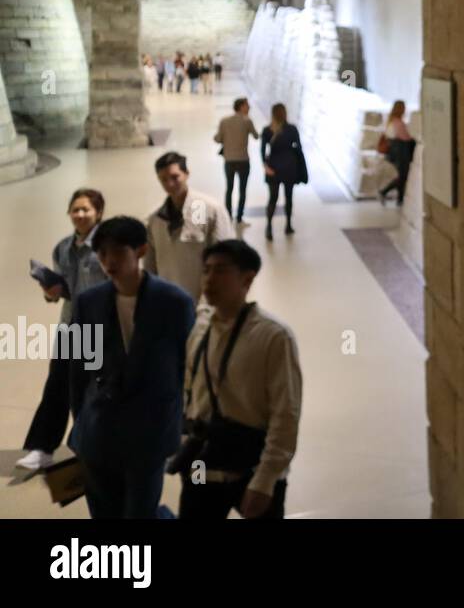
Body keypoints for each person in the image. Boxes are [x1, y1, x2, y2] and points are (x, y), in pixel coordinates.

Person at [67, 216, 195, 519]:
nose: (109, 262)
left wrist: (183, 424)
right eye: (102, 254)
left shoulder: (174, 302)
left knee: (139, 512)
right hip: (99, 433)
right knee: (103, 512)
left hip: (149, 433)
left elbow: (188, 367)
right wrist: (82, 418)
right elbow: (78, 368)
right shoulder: (88, 302)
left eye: (118, 252)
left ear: (140, 251)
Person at [177, 241, 301, 519]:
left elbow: (286, 414)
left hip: (252, 469)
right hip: (202, 466)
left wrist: (266, 480)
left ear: (247, 278)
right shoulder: (200, 328)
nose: (209, 279)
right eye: (206, 270)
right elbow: (190, 389)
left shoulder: (273, 336)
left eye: (220, 270)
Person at [15, 189, 107, 471]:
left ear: (98, 213)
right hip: (70, 327)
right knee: (57, 387)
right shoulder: (62, 247)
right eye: (75, 210)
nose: (79, 215)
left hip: (99, 330)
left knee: (91, 392)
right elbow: (59, 293)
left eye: (85, 210)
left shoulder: (107, 245)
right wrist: (51, 292)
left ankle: (89, 449)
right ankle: (42, 448)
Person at [144, 152, 236, 304]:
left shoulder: (208, 209)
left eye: (175, 177)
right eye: (164, 180)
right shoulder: (155, 220)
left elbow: (226, 255)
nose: (170, 184)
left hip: (204, 301)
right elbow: (150, 267)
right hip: (168, 302)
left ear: (186, 174)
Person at [260, 103, 306, 241]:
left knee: (272, 199)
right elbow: (299, 146)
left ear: (273, 114)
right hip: (289, 167)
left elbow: (262, 150)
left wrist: (266, 166)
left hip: (273, 167)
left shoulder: (268, 130)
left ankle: (269, 227)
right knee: (289, 197)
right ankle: (288, 225)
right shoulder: (292, 129)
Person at [215, 98, 258, 223]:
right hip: (243, 160)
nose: (249, 108)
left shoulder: (224, 121)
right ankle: (239, 216)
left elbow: (218, 139)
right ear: (241, 107)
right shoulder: (247, 121)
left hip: (229, 160)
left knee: (229, 188)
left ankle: (228, 215)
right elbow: (256, 136)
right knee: (242, 189)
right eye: (247, 105)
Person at [377, 100, 416, 207]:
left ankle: (399, 199)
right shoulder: (398, 123)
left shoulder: (390, 121)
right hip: (400, 151)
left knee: (401, 175)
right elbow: (405, 137)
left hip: (393, 151)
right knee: (403, 175)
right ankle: (385, 192)